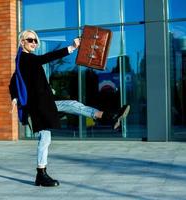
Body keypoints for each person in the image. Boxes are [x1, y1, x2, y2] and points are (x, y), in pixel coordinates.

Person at [9, 30, 130, 187]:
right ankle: (41, 174)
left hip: (44, 102)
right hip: (38, 106)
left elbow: (13, 81)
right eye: (30, 40)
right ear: (22, 42)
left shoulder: (21, 61)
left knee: (70, 108)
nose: (33, 43)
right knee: (46, 137)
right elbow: (46, 58)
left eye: (35, 41)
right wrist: (71, 47)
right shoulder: (26, 58)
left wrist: (14, 97)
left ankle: (109, 117)